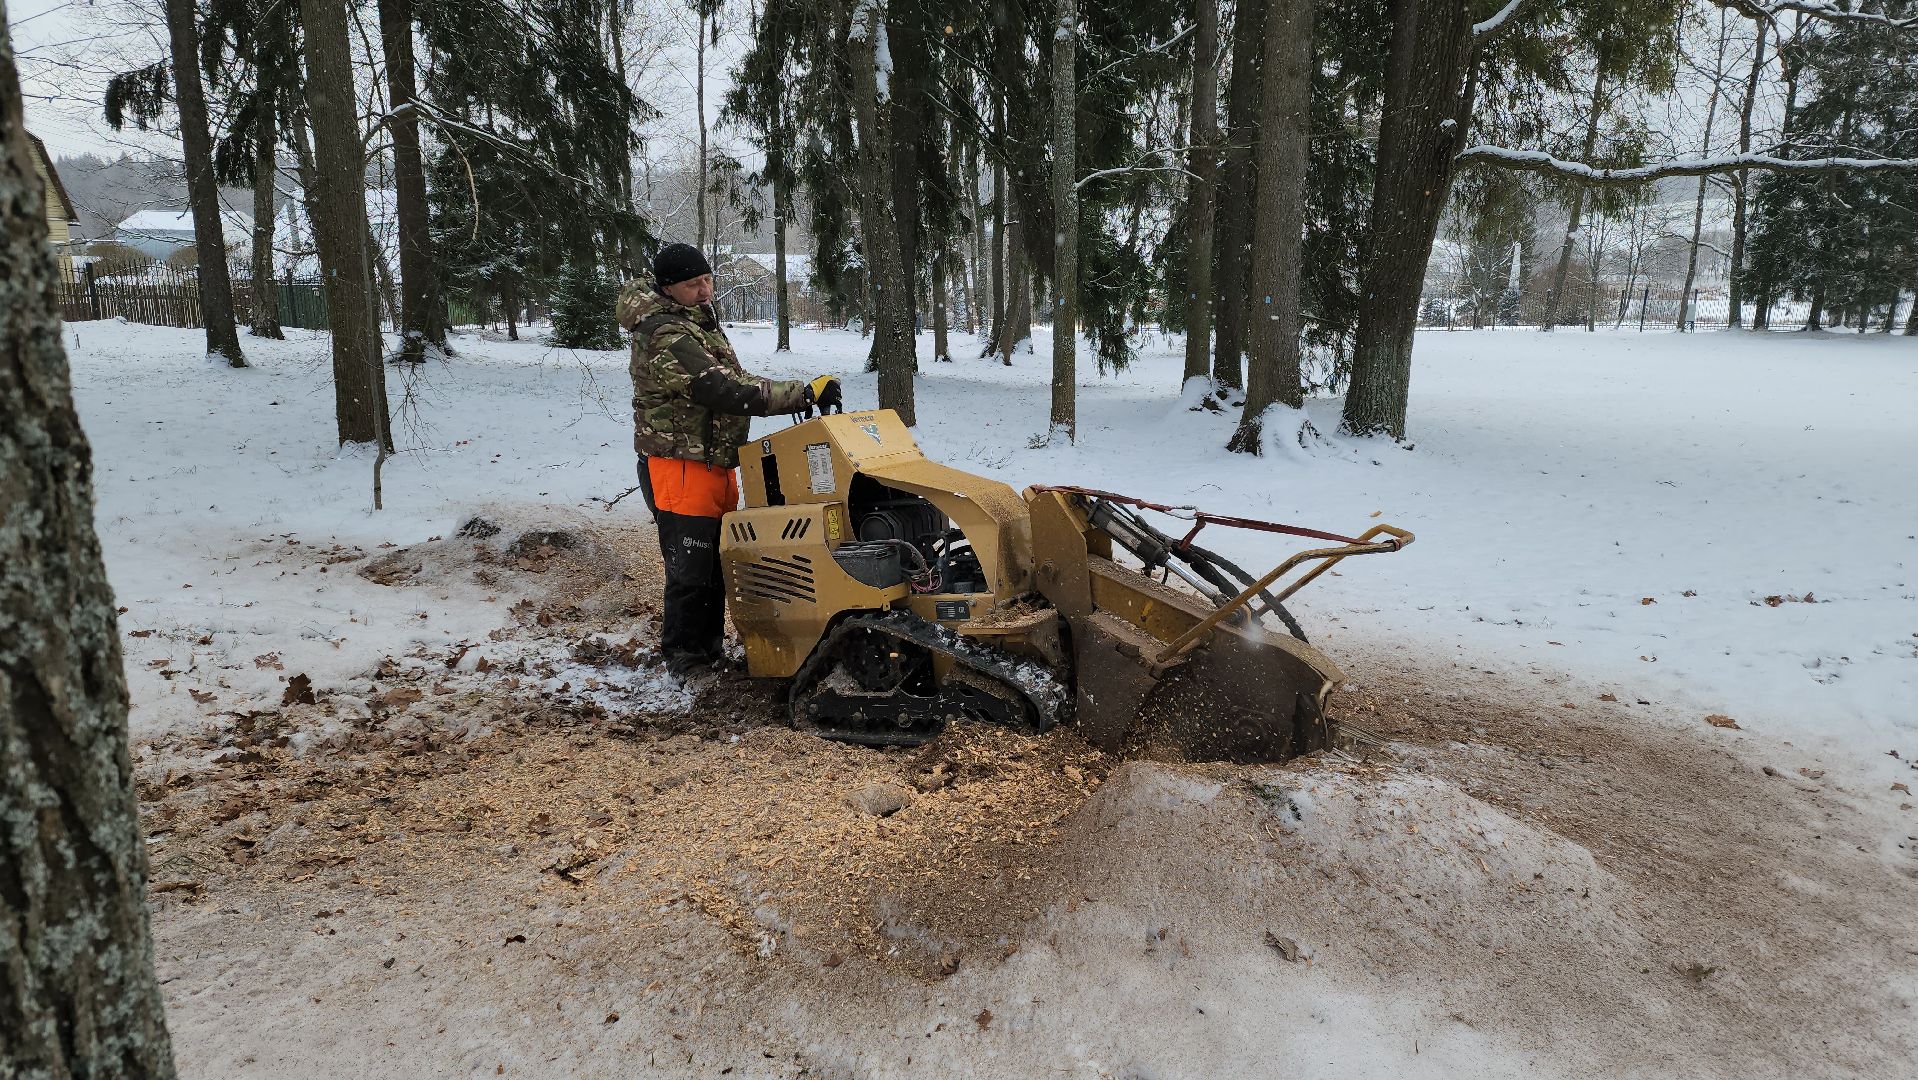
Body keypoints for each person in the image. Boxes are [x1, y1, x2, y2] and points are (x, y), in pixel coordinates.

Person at [618, 242, 842, 675]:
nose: (705, 290)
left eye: (706, 280)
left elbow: (734, 379)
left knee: (718, 564)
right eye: (692, 284)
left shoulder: (695, 323)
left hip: (713, 462)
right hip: (679, 465)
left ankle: (709, 652)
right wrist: (802, 393)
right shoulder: (665, 334)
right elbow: (721, 389)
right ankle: (686, 660)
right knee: (691, 570)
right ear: (668, 288)